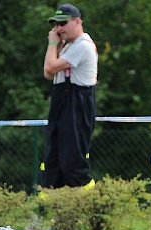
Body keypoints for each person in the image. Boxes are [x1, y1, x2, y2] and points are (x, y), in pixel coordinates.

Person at [41, 3, 98, 189]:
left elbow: (50, 67)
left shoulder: (82, 45)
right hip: (62, 103)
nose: (58, 29)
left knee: (72, 162)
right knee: (54, 160)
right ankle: (57, 209)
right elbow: (48, 74)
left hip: (76, 105)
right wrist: (57, 46)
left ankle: (90, 204)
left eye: (62, 24)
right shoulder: (67, 46)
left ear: (77, 22)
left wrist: (51, 43)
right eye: (55, 25)